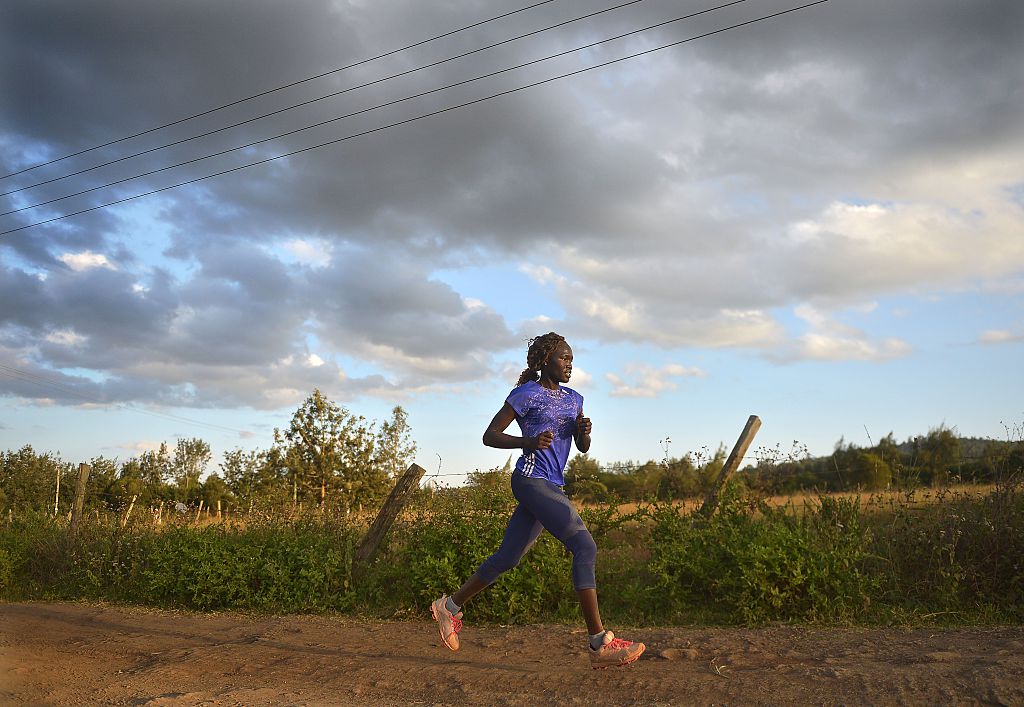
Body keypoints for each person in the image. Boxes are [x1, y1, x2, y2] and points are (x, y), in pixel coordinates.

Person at [430, 332, 645, 669]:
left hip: (551, 485)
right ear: (545, 360)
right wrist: (527, 440)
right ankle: (599, 643)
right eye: (564, 359)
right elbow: (490, 436)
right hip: (530, 479)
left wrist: (584, 432)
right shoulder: (526, 394)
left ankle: (450, 607)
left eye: (572, 360)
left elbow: (582, 447)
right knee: (585, 548)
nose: (570, 365)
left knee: (508, 557)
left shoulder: (575, 399)